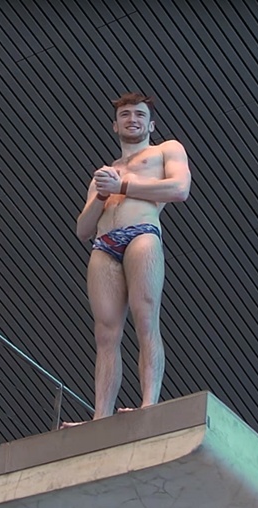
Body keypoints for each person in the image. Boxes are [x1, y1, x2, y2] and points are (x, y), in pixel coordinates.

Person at [67, 92, 191, 426]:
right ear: (115, 125)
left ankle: (149, 403)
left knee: (146, 318)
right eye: (125, 115)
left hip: (141, 233)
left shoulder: (165, 150)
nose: (132, 119)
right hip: (104, 243)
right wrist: (102, 194)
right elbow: (83, 229)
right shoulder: (106, 173)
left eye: (139, 114)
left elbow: (179, 189)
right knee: (105, 334)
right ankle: (100, 416)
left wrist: (122, 186)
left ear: (151, 125)